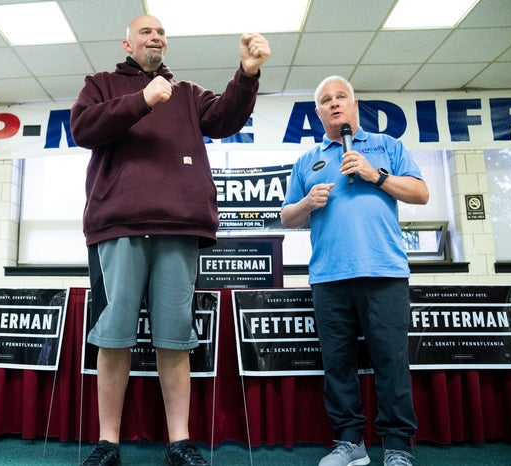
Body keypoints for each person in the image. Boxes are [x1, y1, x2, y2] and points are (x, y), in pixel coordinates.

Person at [70, 14, 270, 466]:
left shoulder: (186, 93)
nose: (156, 36)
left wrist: (248, 74)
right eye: (146, 31)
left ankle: (179, 442)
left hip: (179, 226)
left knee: (175, 337)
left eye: (161, 32)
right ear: (127, 44)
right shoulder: (101, 84)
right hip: (118, 225)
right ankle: (108, 443)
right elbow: (82, 129)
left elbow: (225, 119)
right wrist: (141, 100)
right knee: (114, 336)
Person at [280, 76, 429, 466]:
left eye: (340, 97)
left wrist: (374, 175)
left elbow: (421, 193)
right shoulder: (305, 160)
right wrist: (307, 203)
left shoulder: (386, 146)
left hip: (384, 271)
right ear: (317, 113)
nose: (334, 104)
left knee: (390, 361)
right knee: (338, 364)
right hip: (329, 276)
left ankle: (396, 447)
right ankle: (351, 443)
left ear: (354, 104)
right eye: (326, 100)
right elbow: (286, 216)